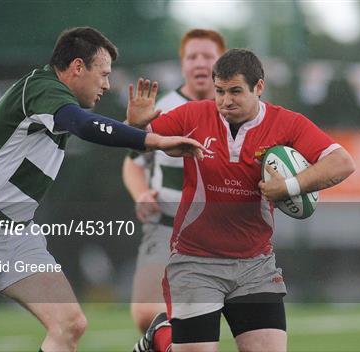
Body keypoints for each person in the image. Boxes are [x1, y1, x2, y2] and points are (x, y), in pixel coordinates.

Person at [0, 27, 206, 352]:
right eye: (103, 74)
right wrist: (154, 141)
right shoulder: (41, 89)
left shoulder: (58, 105)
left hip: (17, 237)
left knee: (70, 325)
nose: (106, 84)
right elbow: (86, 125)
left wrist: (134, 129)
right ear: (76, 67)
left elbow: (93, 128)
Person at [128, 49, 356, 352]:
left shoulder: (287, 124)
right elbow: (138, 140)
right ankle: (160, 336)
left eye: (235, 91)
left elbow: (342, 163)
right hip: (195, 261)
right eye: (220, 91)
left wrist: (289, 186)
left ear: (258, 87)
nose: (226, 100)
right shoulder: (194, 115)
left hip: (254, 266)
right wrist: (134, 126)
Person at [123, 29, 226, 333]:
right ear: (182, 64)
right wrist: (142, 195)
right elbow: (132, 165)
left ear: (223, 63)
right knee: (145, 316)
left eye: (208, 56)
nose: (199, 63)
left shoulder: (237, 110)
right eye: (192, 56)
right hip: (166, 226)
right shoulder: (159, 109)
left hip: (223, 236)